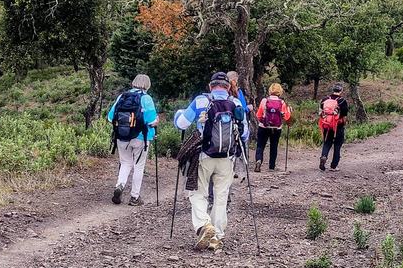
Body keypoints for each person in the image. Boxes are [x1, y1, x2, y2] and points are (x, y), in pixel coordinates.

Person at [175, 72, 249, 251]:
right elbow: (245, 134)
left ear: (210, 86)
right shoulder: (236, 103)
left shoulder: (201, 101)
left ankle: (204, 225)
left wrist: (177, 115)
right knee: (221, 196)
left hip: (204, 155)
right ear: (229, 87)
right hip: (227, 157)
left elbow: (182, 124)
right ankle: (217, 236)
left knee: (197, 193)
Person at [106, 74, 157, 206]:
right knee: (138, 166)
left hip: (122, 136)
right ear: (147, 85)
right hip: (141, 137)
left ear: (133, 83)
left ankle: (120, 186)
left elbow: (110, 118)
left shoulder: (122, 97)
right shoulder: (146, 98)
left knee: (125, 163)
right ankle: (134, 197)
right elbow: (151, 121)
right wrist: (156, 121)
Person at [253, 83, 292, 172]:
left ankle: (258, 161)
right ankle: (271, 166)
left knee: (260, 145)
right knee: (274, 146)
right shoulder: (282, 102)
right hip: (276, 128)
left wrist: (262, 121)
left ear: (270, 90)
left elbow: (258, 115)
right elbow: (287, 117)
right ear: (280, 92)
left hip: (263, 126)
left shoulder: (264, 101)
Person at [318, 83, 349, 172]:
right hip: (338, 126)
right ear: (341, 90)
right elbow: (344, 113)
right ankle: (334, 166)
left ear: (333, 89)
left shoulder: (325, 99)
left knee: (327, 143)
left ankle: (324, 156)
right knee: (337, 145)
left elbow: (321, 111)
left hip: (327, 125)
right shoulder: (342, 101)